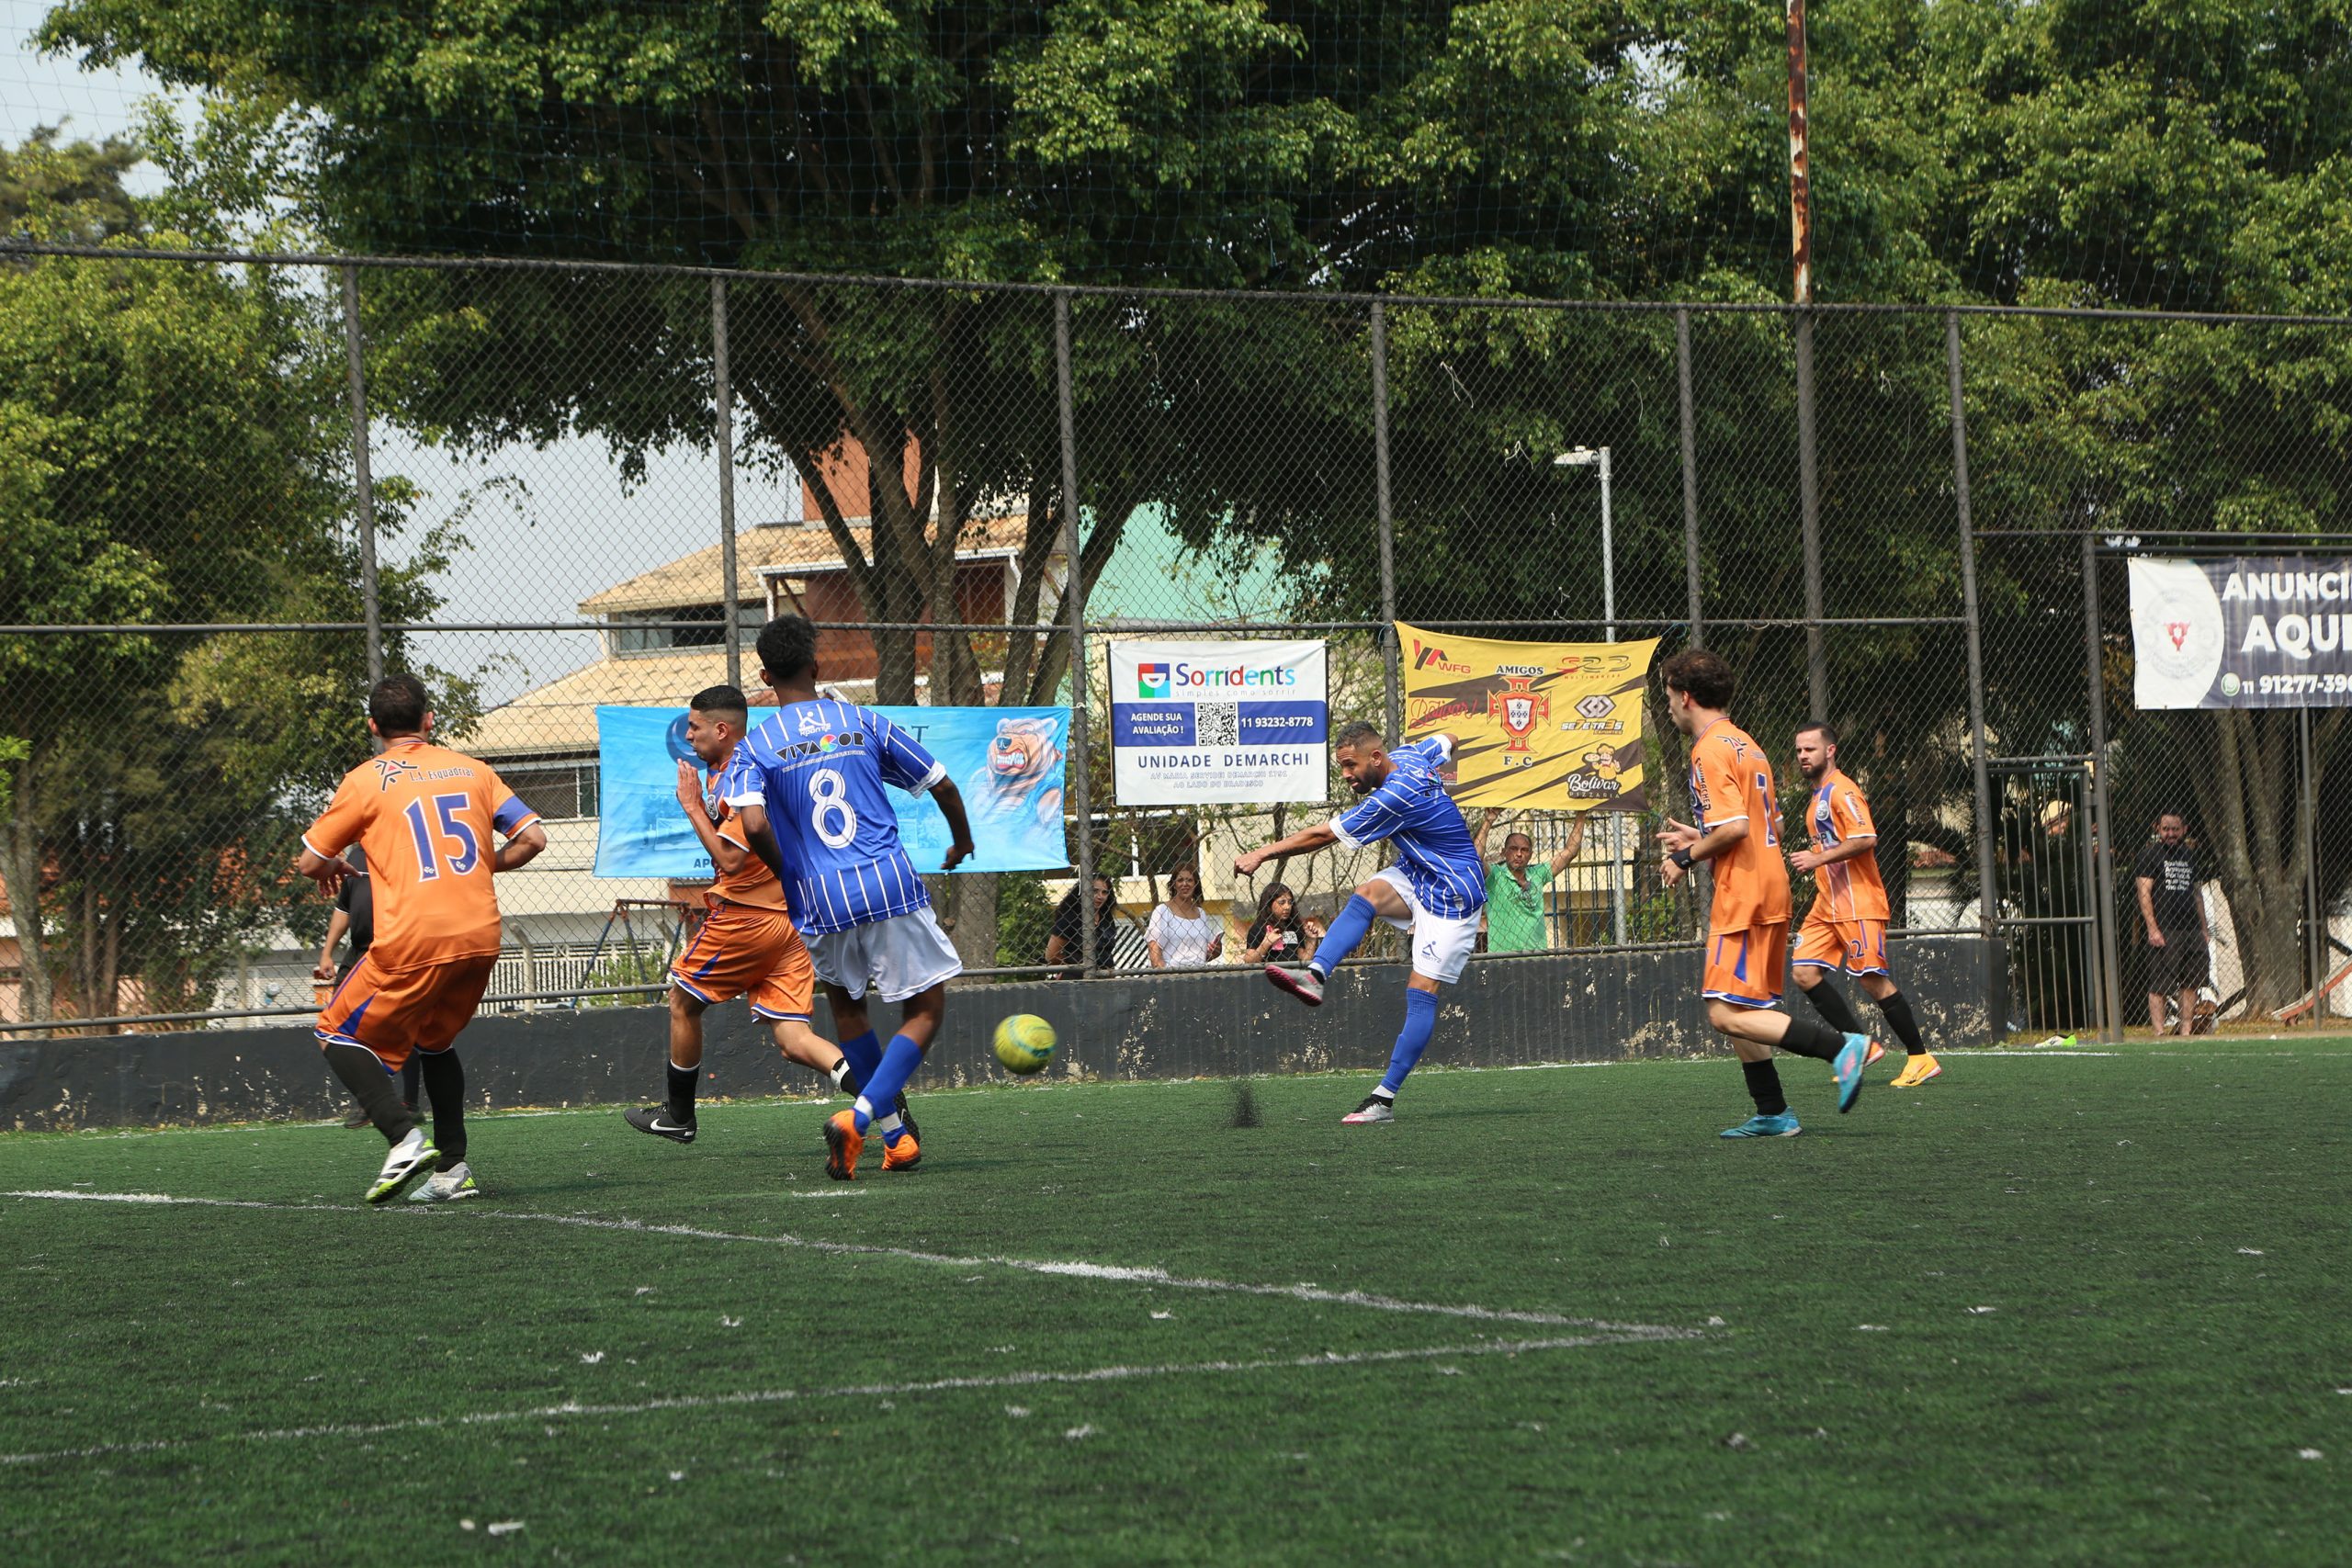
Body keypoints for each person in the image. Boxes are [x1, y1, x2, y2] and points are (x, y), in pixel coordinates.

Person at [722, 615, 977, 1180]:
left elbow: (755, 824)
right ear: (816, 667)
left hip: (820, 900)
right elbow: (943, 784)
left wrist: (791, 873)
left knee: (847, 1009)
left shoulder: (755, 746)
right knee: (927, 1008)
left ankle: (897, 1140)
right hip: (886, 883)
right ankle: (860, 1120)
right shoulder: (863, 721)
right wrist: (961, 842)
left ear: (765, 676)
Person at [296, 673, 548, 1202]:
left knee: (334, 1034)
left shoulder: (365, 780)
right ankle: (453, 1171)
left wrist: (335, 863)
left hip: (413, 936)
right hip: (479, 933)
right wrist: (478, 867)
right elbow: (533, 838)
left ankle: (402, 1135)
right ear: (429, 720)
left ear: (372, 726)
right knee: (436, 1042)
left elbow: (308, 862)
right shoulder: (474, 771)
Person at [624, 686, 873, 1149]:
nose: (689, 735)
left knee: (682, 1002)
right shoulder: (745, 764)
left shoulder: (742, 773)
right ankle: (882, 1098)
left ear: (722, 730)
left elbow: (732, 859)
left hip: (746, 919)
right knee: (794, 1039)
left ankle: (679, 1115)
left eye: (695, 727)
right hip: (790, 920)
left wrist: (693, 807)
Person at [1652, 650, 1871, 1138]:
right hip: (1768, 883)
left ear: (1686, 697)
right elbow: (1763, 823)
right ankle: (1772, 1111)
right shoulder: (1747, 744)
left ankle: (1842, 1048)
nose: (1668, 707)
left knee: (1722, 1012)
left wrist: (1686, 856)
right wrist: (1699, 836)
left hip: (1744, 892)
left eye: (1668, 696)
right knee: (1743, 1009)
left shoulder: (1708, 748)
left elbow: (1732, 827)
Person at [1237, 720, 1487, 1123]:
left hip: (1454, 893)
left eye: (1351, 766)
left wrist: (1261, 853)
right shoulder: (1409, 756)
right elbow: (1451, 738)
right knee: (1367, 893)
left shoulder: (1394, 796)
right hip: (1419, 871)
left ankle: (1382, 1101)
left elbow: (1321, 836)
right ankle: (1315, 975)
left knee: (1420, 991)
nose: (1347, 776)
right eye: (1342, 768)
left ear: (1375, 758)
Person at [1787, 721, 1940, 1088]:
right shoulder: (1817, 797)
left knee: (1873, 981)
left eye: (1810, 749)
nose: (1803, 756)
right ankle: (1863, 1046)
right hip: (1828, 904)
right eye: (1799, 750)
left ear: (1830, 751)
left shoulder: (1843, 791)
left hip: (1858, 902)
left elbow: (1866, 837)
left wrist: (1817, 859)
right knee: (1804, 973)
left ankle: (1920, 1057)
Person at [310, 844, 421, 1128]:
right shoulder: (356, 855)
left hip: (394, 951)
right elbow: (343, 907)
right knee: (341, 1025)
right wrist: (327, 953)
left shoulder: (401, 847)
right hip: (359, 951)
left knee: (400, 1026)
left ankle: (409, 1104)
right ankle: (369, 1102)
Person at [2134, 810, 2211, 1037]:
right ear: (2158, 829)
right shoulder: (2149, 856)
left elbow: (2196, 893)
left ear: (2184, 830)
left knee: (2191, 982)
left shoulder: (2189, 855)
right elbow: (2144, 893)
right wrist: (2152, 928)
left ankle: (2186, 1030)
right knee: (2160, 984)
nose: (2170, 834)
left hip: (2191, 929)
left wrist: (2204, 928)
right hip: (2165, 930)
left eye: (2175, 829)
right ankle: (2159, 1032)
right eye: (2165, 829)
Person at [1478, 807, 1588, 953]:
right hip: (1501, 958)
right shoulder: (1496, 875)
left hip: (1535, 958)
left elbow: (1570, 852)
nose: (1518, 854)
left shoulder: (1537, 874)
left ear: (1530, 854)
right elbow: (1476, 857)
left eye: (1524, 850)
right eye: (1513, 849)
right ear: (1504, 852)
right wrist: (1488, 821)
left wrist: (1581, 814)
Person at [1146, 866, 1224, 968]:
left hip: (1199, 975)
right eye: (1180, 880)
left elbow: (1203, 956)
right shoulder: (1162, 911)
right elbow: (1155, 955)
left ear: (1195, 884)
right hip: (1172, 976)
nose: (1185, 884)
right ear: (1174, 884)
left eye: (1190, 880)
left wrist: (1216, 951)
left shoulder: (1201, 914)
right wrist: (1165, 977)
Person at [1046, 874, 1120, 976]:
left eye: (1105, 892)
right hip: (1077, 979)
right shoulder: (1071, 917)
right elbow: (1051, 955)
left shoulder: (1106, 918)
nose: (1100, 896)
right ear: (1083, 891)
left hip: (1105, 978)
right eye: (1094, 891)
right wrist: (1071, 968)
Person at [1239, 882, 1322, 969]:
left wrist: (1311, 939)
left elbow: (1304, 960)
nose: (1287, 907)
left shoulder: (1294, 927)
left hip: (1293, 976)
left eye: (1290, 902)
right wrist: (1266, 943)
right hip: (1269, 978)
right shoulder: (1259, 928)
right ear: (1269, 903)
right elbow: (1249, 961)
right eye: (1282, 902)